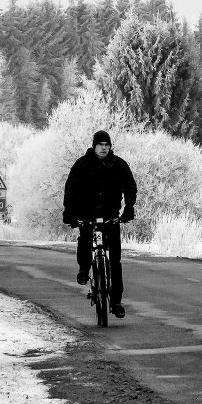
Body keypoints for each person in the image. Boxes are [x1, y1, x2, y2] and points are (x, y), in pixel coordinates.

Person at [62, 130, 137, 318]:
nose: (104, 148)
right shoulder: (81, 165)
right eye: (100, 145)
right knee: (85, 240)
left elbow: (130, 187)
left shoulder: (119, 165)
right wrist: (70, 214)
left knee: (115, 260)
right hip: (87, 214)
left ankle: (117, 301)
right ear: (94, 146)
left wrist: (128, 208)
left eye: (107, 145)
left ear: (110, 147)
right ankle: (84, 269)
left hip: (110, 216)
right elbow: (70, 189)